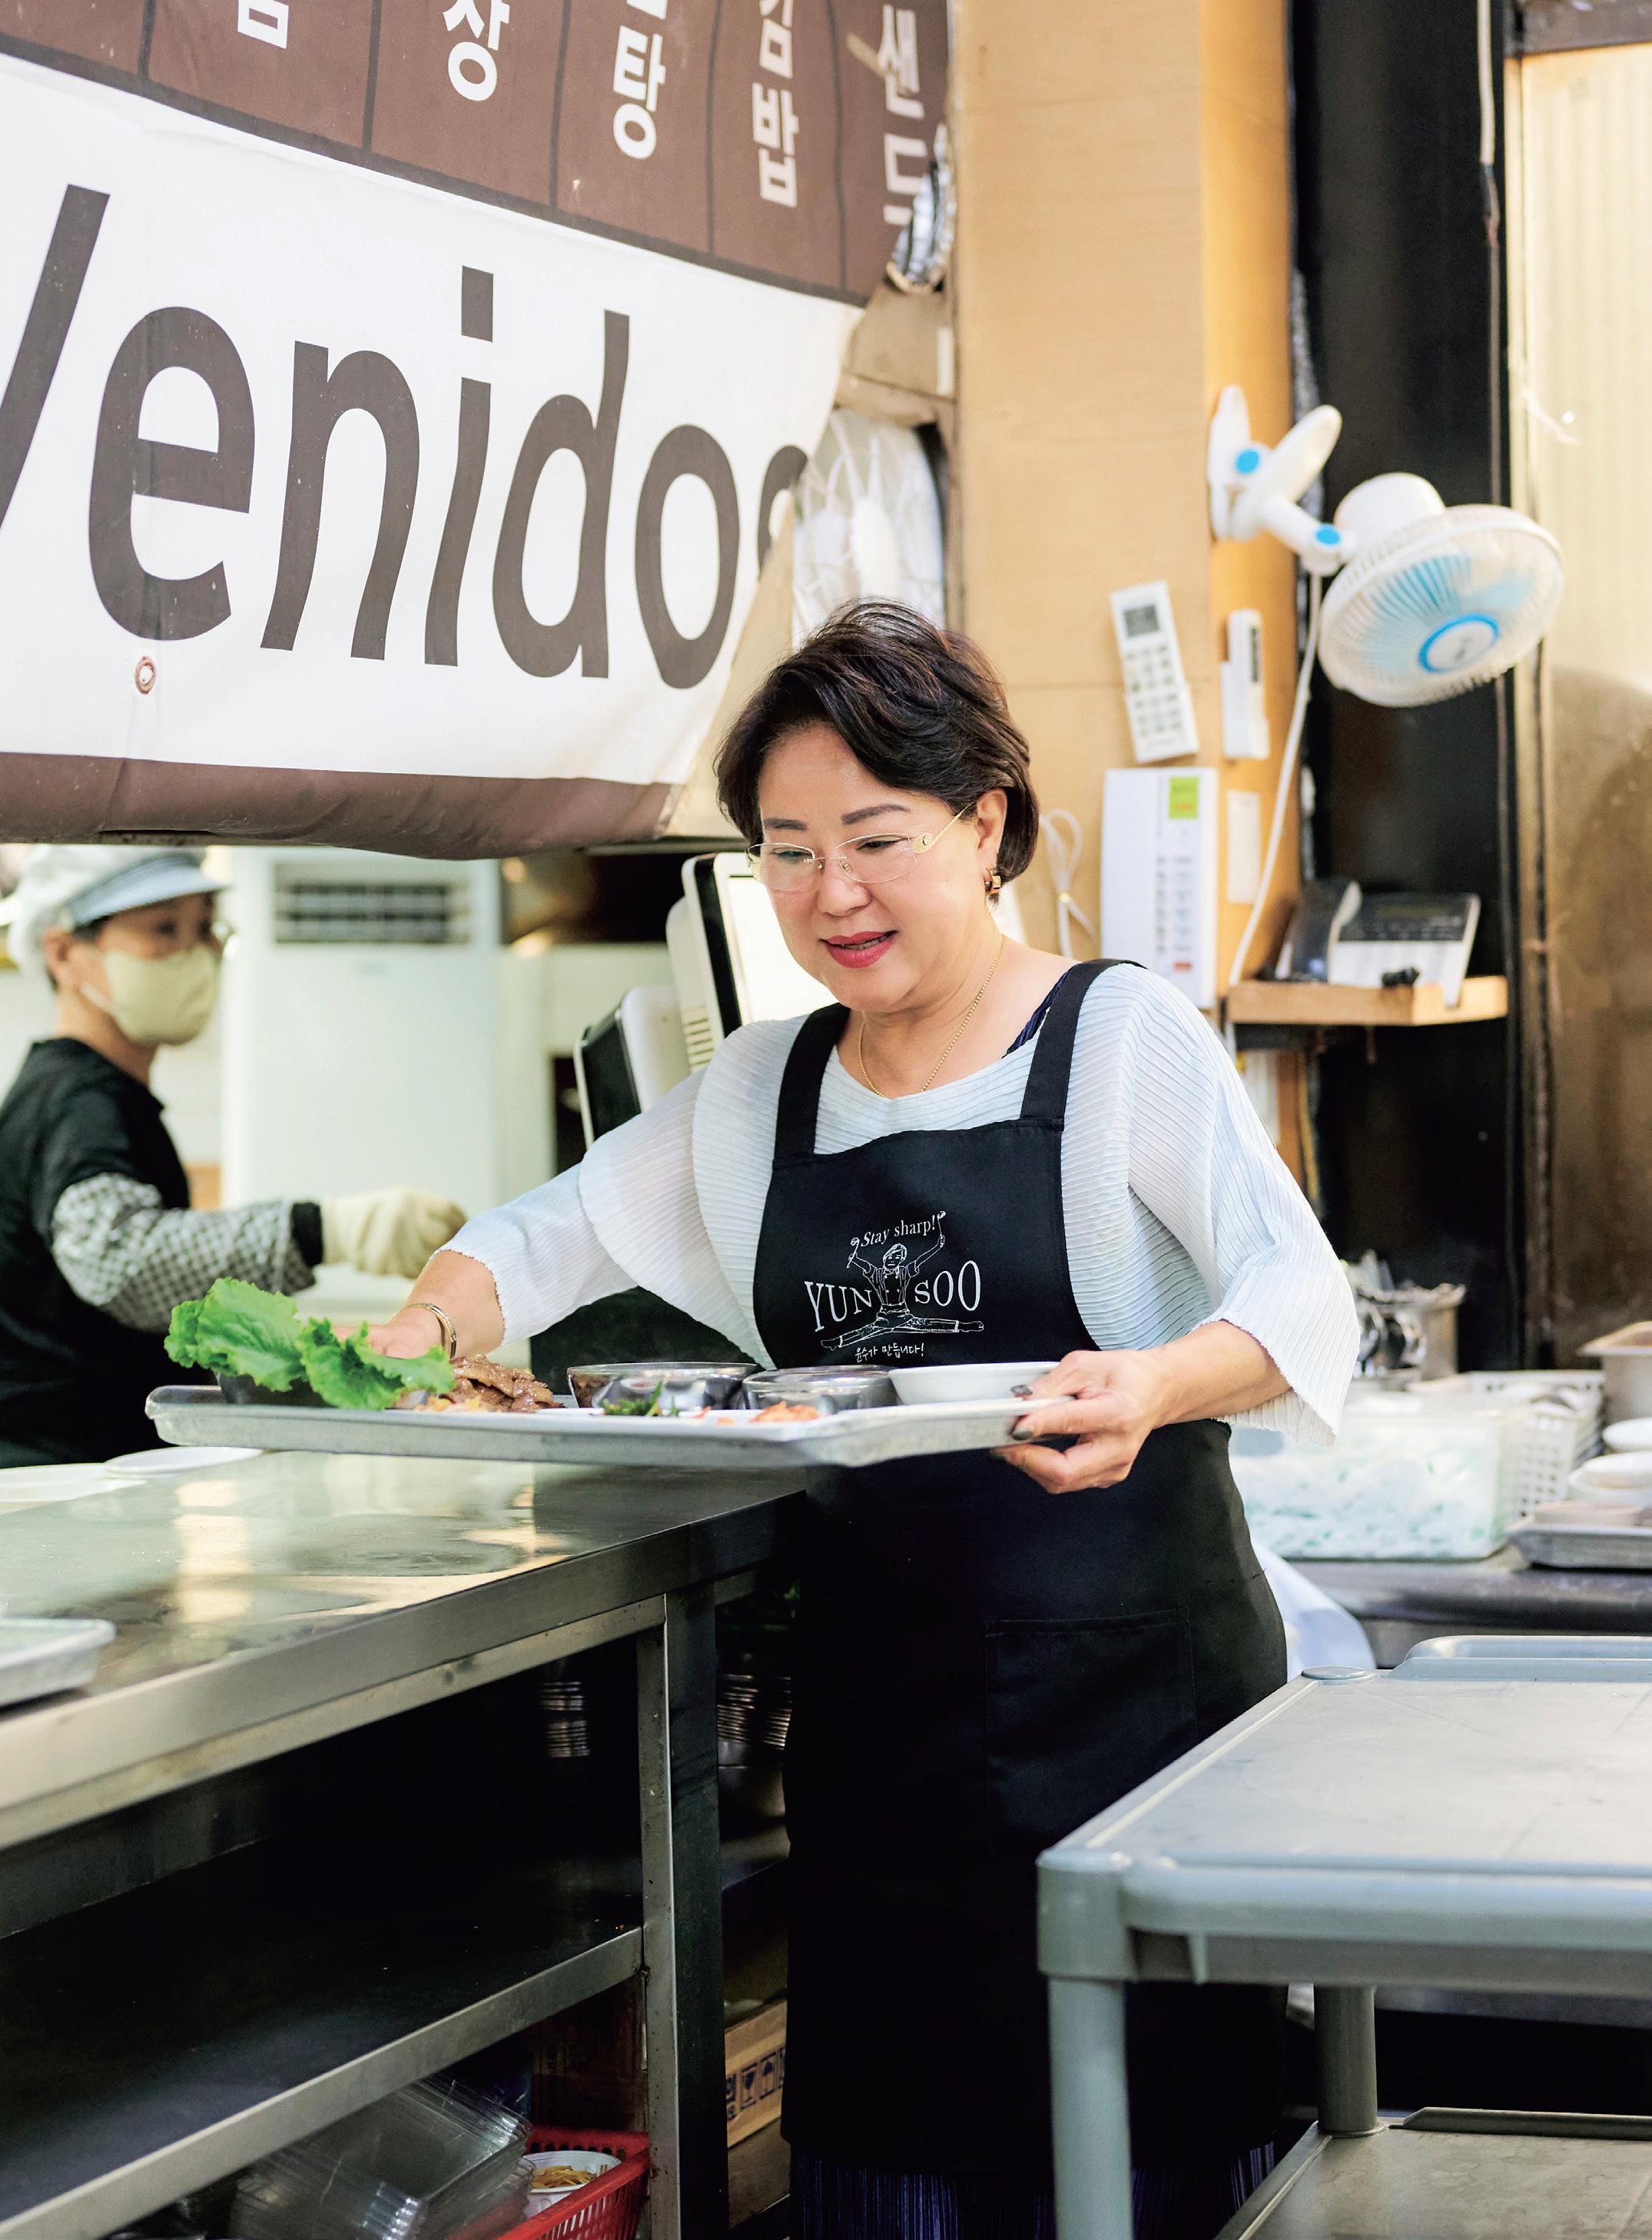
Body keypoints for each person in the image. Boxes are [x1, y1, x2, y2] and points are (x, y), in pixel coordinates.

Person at [371, 603, 1358, 2238]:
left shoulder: (1117, 1040)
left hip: (1132, 1734)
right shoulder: (762, 1090)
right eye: (788, 850)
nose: (832, 892)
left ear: (983, 823)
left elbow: (1302, 1293)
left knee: (1150, 2160)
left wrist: (1160, 1379)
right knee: (894, 2167)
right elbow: (543, 1237)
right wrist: (417, 1332)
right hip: (885, 1750)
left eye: (876, 839)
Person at [0, 845, 465, 1472]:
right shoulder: (78, 1101)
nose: (195, 954)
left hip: (84, 1472)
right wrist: (325, 1230)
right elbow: (120, 1259)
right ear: (63, 952)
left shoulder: (97, 1094)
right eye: (163, 928)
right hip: (48, 1479)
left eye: (204, 928)